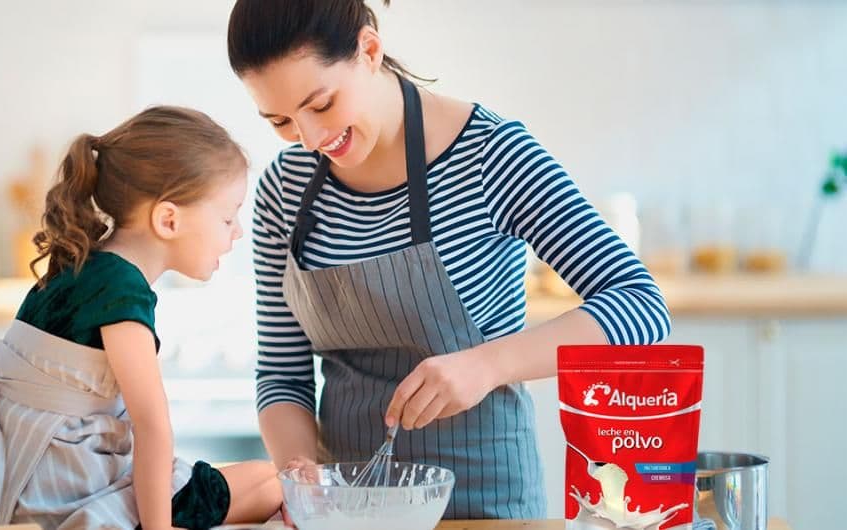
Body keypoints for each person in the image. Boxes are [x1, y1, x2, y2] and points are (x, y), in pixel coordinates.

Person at [227, 0, 672, 519]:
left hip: (484, 504)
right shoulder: (285, 188)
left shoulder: (492, 154)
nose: (309, 139)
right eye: (280, 120)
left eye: (321, 105)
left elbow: (641, 308)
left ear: (369, 50)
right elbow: (283, 376)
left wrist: (487, 364)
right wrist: (302, 482)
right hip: (347, 511)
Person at [0, 106, 282, 530]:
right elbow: (153, 429)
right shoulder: (121, 290)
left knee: (271, 478)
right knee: (272, 487)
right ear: (168, 219)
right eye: (228, 217)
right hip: (68, 498)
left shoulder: (87, 266)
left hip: (43, 480)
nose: (237, 232)